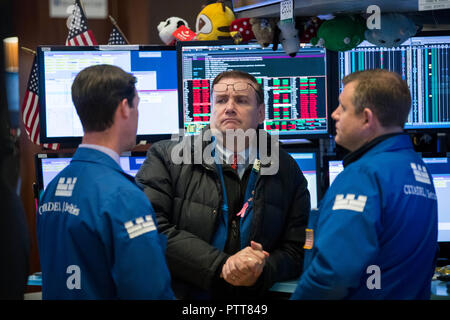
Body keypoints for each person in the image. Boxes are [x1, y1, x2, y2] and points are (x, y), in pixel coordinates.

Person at [135, 70, 310, 299]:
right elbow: (148, 228)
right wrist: (222, 265)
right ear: (211, 110)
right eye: (220, 100)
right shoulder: (166, 156)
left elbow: (296, 250)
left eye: (241, 100)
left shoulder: (287, 170)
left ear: (260, 113)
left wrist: (261, 269)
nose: (229, 107)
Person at [291, 69, 438, 300]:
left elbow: (333, 273)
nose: (334, 114)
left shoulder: (363, 175)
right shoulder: (415, 168)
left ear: (367, 118)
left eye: (343, 107)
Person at [37, 64, 174, 300]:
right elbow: (149, 292)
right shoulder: (123, 197)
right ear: (124, 108)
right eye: (137, 106)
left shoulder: (51, 189)